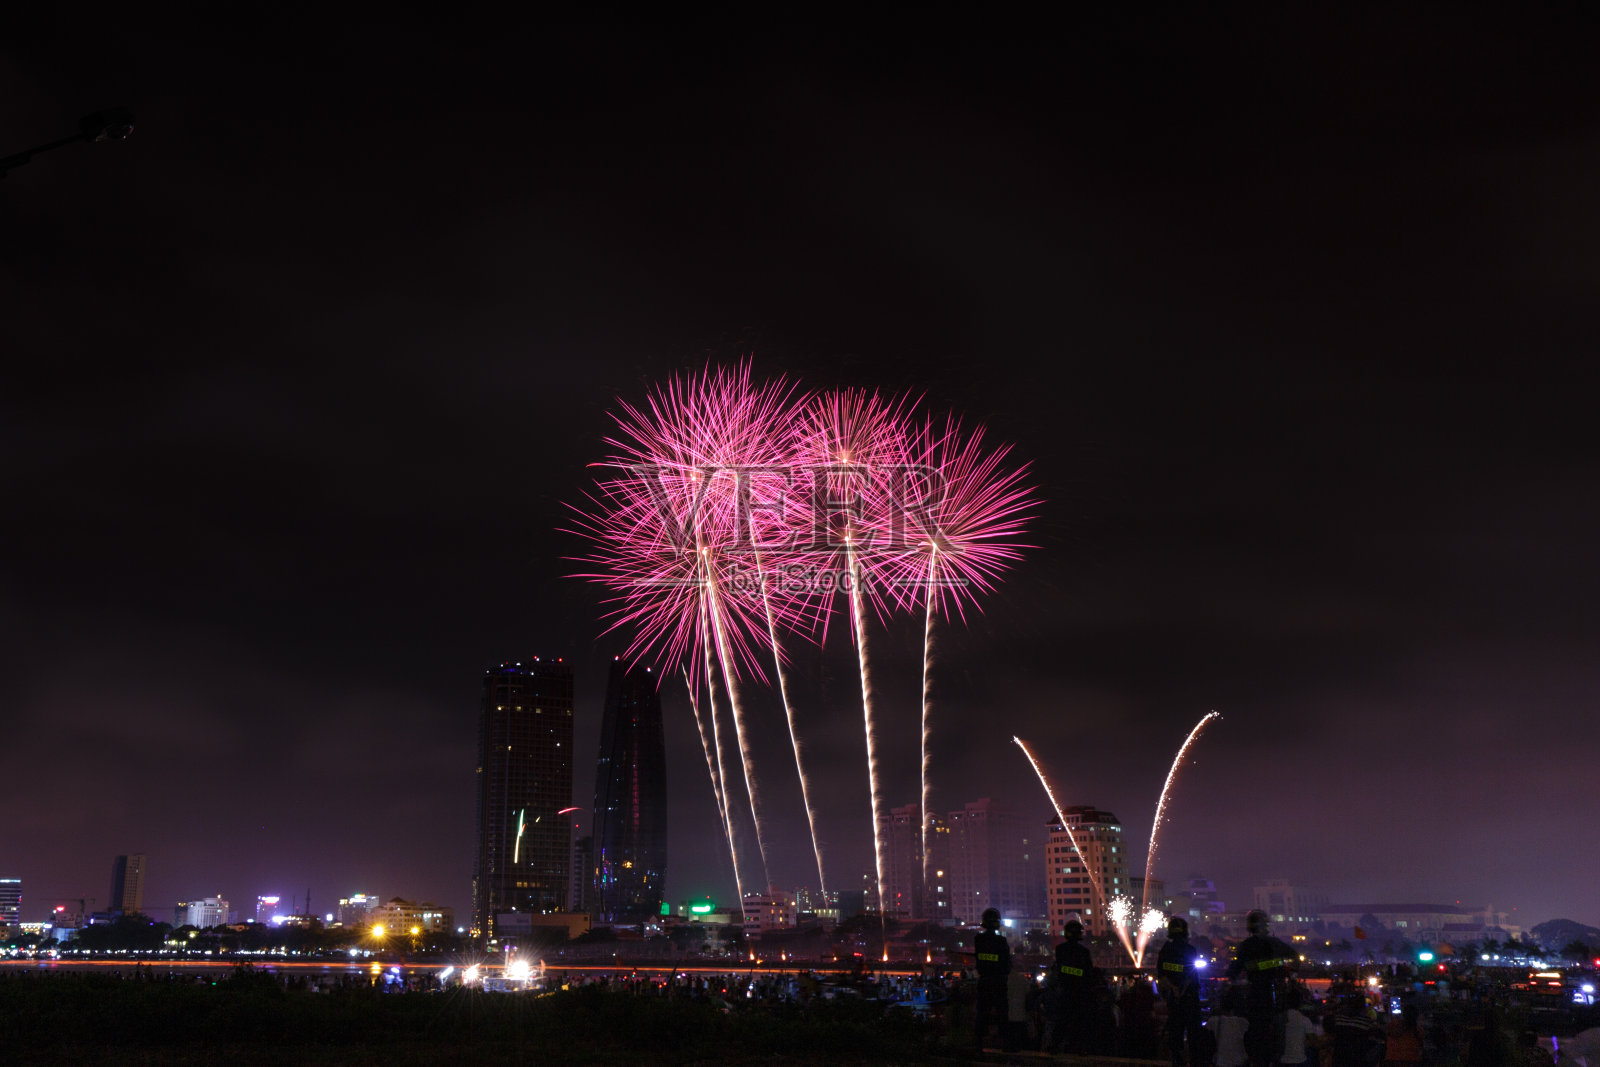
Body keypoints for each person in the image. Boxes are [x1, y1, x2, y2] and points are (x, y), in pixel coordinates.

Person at [1229, 910, 1296, 1067]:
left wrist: (1255, 967)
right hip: (1272, 995)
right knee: (1274, 1035)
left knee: (1257, 1033)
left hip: (1257, 995)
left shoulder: (1246, 946)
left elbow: (1234, 971)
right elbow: (1292, 956)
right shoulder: (1273, 943)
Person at [1158, 916, 1207, 1067]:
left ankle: (1177, 1059)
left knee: (1175, 1029)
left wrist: (1174, 990)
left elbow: (1162, 974)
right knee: (1194, 1032)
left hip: (1174, 997)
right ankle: (1195, 1061)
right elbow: (1191, 973)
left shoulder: (1165, 950)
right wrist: (1183, 990)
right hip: (1189, 997)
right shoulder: (1190, 949)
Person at [1049, 918, 1098, 1054]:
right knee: (1079, 1023)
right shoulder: (1084, 952)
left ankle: (1055, 1046)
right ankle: (1078, 1048)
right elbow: (1088, 974)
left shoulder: (1060, 950)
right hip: (1080, 994)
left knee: (1062, 1021)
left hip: (1065, 992)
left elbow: (1060, 970)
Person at [973, 907, 1011, 1051]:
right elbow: (1006, 963)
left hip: (984, 982)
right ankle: (1005, 1043)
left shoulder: (979, 939)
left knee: (982, 1013)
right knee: (1002, 1013)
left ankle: (979, 1043)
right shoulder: (1001, 941)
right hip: (999, 982)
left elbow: (980, 960)